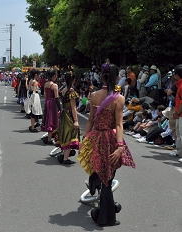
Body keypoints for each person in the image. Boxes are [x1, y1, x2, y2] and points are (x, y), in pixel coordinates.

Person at [78, 63, 135, 226]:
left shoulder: (94, 95)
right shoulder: (119, 98)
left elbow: (89, 120)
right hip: (110, 139)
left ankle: (100, 197)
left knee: (98, 170)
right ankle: (107, 217)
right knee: (108, 180)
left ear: (102, 76)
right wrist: (120, 147)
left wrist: (85, 139)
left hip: (95, 137)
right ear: (117, 77)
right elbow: (118, 125)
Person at [53, 71, 80, 164]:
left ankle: (65, 155)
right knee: (70, 135)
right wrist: (76, 120)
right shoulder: (71, 91)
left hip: (64, 113)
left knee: (65, 133)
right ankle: (65, 158)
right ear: (74, 80)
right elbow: (73, 107)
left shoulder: (63, 89)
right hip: (69, 114)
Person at [41, 70, 60, 144]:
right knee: (53, 120)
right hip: (53, 103)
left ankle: (50, 138)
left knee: (49, 119)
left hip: (47, 102)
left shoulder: (46, 84)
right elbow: (57, 97)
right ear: (54, 76)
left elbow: (46, 96)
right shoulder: (54, 85)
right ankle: (52, 139)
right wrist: (59, 108)